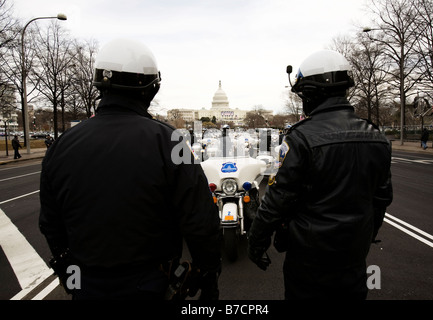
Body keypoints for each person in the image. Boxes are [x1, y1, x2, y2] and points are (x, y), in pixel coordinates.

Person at [39, 38, 221, 300]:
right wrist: (209, 272)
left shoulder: (60, 145)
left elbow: (50, 222)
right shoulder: (171, 141)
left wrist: (69, 272)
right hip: (151, 284)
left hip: (87, 285)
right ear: (150, 88)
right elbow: (199, 218)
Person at [247, 50, 393, 300]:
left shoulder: (301, 138)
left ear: (312, 93)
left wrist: (257, 240)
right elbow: (381, 200)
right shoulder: (376, 136)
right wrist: (365, 237)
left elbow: (278, 198)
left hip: (309, 260)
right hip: (354, 258)